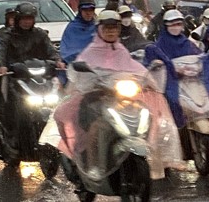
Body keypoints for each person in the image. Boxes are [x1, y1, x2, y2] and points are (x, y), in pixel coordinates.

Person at [54, 10, 183, 181]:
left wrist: (148, 77)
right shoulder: (90, 52)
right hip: (97, 99)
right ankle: (92, 166)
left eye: (114, 28)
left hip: (122, 99)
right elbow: (80, 74)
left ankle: (152, 157)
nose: (110, 32)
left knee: (149, 116)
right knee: (96, 127)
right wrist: (93, 81)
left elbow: (134, 68)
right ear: (99, 29)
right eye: (107, 28)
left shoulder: (121, 50)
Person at [0, 2, 62, 73]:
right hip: (14, 73)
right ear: (18, 19)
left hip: (40, 71)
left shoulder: (40, 33)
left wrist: (58, 61)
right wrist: (1, 65)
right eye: (24, 19)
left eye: (30, 19)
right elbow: (1, 51)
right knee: (1, 80)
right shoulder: (7, 35)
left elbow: (50, 49)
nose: (27, 22)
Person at [60, 0, 98, 64]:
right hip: (75, 67)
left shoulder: (98, 27)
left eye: (91, 10)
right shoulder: (72, 27)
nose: (88, 13)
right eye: (85, 10)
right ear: (80, 10)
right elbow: (66, 50)